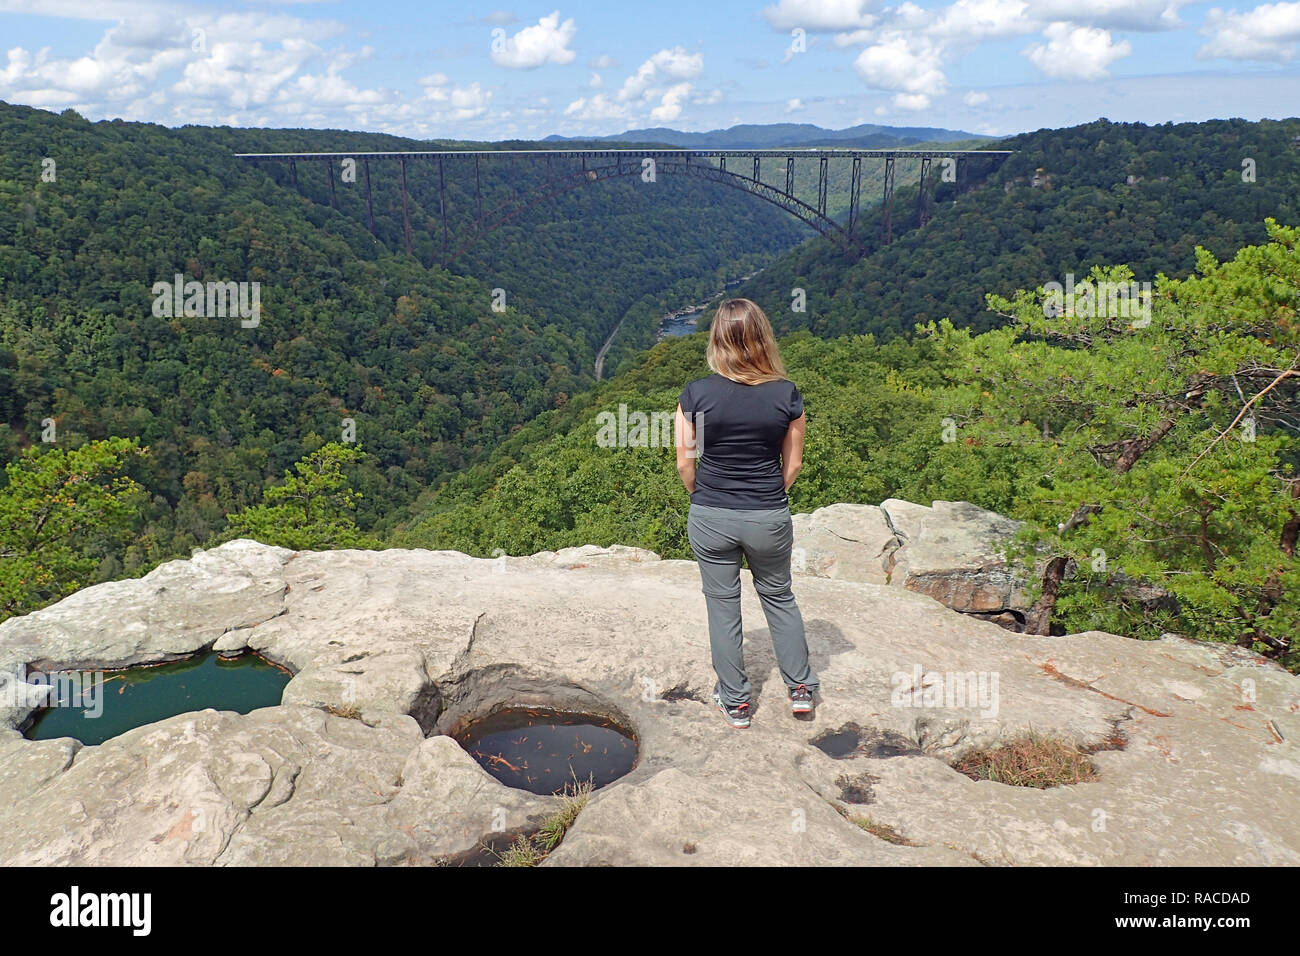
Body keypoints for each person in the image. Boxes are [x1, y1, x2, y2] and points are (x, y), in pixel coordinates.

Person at [675, 298, 819, 729]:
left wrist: (703, 495)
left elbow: (686, 461)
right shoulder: (786, 394)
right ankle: (800, 691)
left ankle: (736, 703)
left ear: (717, 340)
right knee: (779, 597)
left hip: (711, 514)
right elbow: (791, 465)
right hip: (767, 515)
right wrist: (766, 496)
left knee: (722, 606)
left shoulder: (696, 393)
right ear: (763, 338)